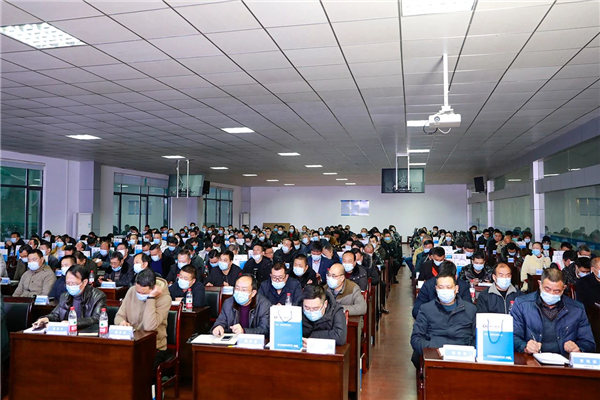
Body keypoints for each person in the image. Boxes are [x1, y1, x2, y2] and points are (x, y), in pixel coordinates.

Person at [511, 267, 595, 356]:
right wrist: (524, 346)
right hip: (531, 359)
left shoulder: (577, 309)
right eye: (547, 289)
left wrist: (578, 348)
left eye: (556, 291)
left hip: (564, 360)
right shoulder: (522, 304)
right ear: (540, 284)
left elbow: (589, 343)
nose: (551, 293)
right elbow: (513, 336)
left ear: (564, 288)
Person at [410, 273, 477, 368]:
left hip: (464, 359)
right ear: (436, 289)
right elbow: (416, 339)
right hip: (435, 357)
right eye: (441, 287)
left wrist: (466, 351)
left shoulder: (471, 310)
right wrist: (434, 350)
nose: (445, 291)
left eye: (449, 287)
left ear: (456, 289)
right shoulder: (426, 309)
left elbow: (477, 339)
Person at [115, 269, 171, 368]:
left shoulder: (165, 299)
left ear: (153, 288)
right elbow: (119, 316)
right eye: (138, 291)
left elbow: (149, 326)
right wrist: (122, 322)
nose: (140, 294)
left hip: (154, 346)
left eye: (144, 293)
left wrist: (151, 298)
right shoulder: (132, 291)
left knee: (136, 366)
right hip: (131, 342)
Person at [33, 265, 107, 330]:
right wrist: (46, 319)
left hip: (87, 334)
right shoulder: (65, 296)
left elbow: (97, 319)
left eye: (73, 283)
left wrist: (72, 323)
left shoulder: (97, 296)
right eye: (68, 283)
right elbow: (56, 315)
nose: (70, 286)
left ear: (84, 282)